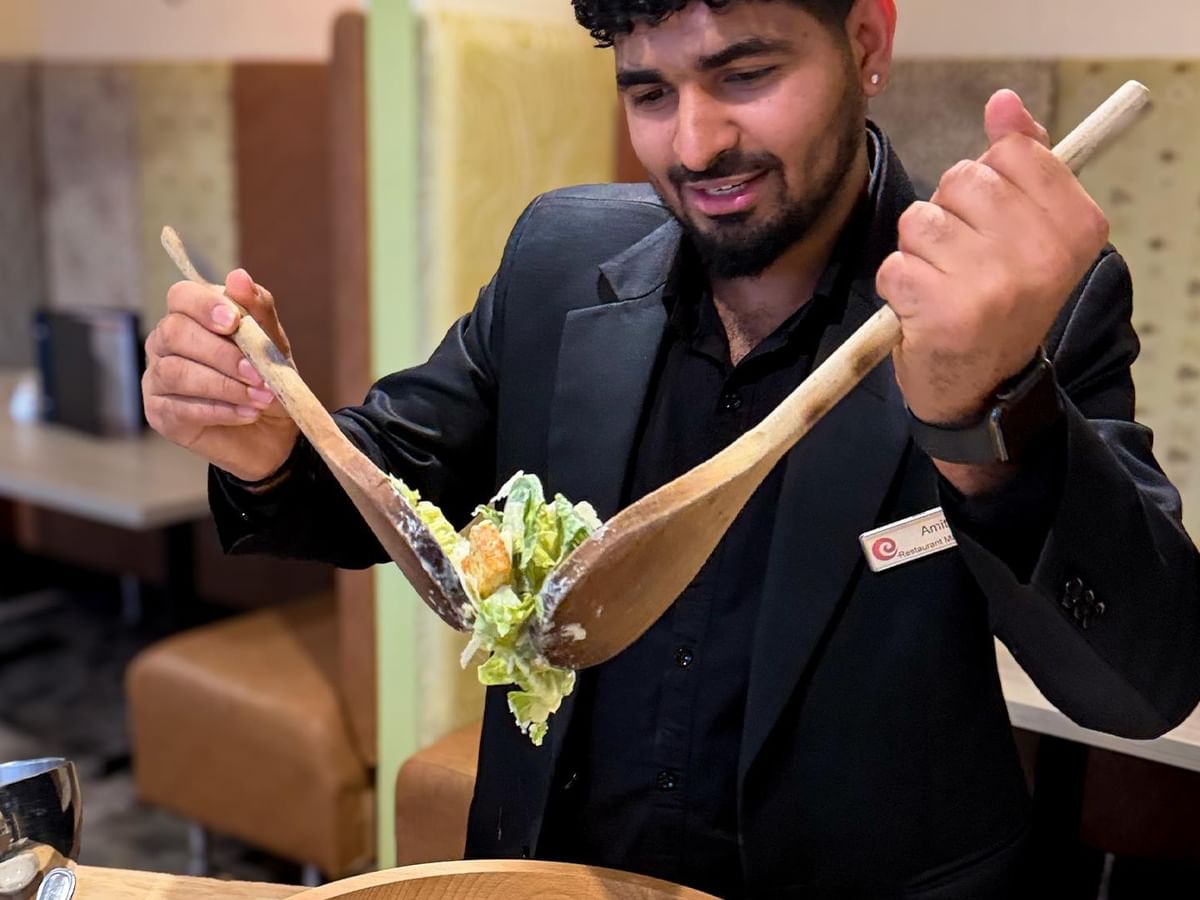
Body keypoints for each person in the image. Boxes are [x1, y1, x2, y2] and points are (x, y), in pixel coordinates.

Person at [141, 0, 1200, 896]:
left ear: (868, 40)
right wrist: (266, 439)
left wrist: (986, 413)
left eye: (744, 73)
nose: (693, 145)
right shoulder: (559, 258)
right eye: (649, 92)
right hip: (558, 879)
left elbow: (1142, 685)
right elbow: (389, 482)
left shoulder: (1009, 310)